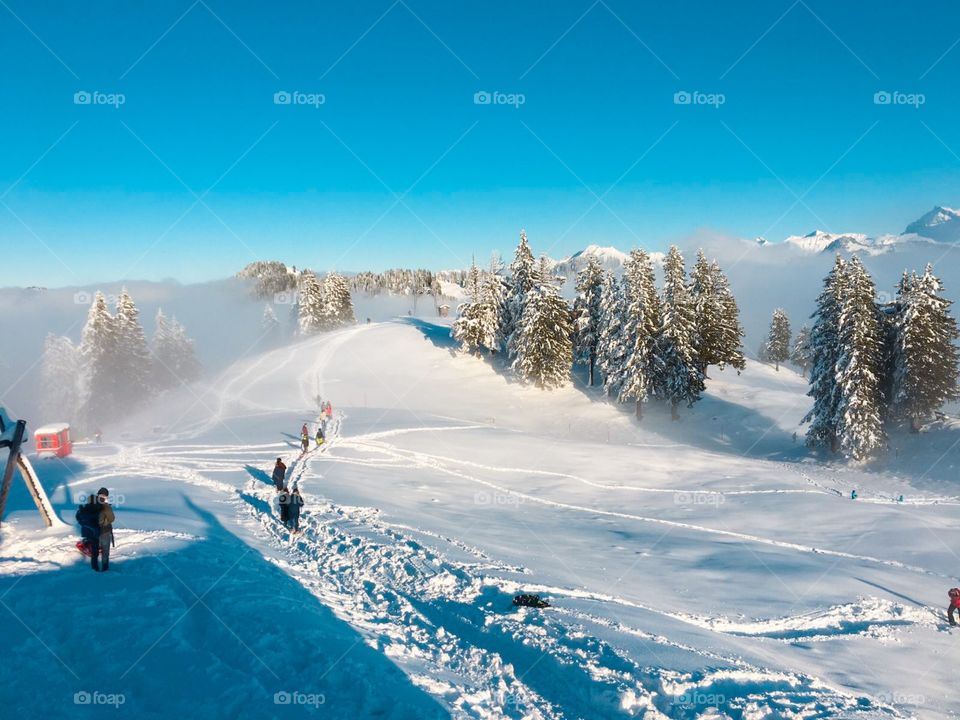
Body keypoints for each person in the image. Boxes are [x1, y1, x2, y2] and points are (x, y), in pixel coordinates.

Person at [75, 495, 101, 571]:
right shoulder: (98, 510)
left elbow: (78, 518)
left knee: (92, 543)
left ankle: (88, 548)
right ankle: (95, 568)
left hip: (86, 531)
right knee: (95, 551)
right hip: (95, 532)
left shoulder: (83, 510)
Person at [97, 487, 115, 572]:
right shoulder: (105, 506)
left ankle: (95, 568)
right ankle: (105, 570)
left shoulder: (92, 505)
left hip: (94, 532)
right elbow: (111, 519)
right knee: (105, 552)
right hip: (104, 532)